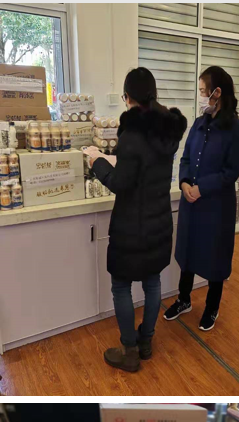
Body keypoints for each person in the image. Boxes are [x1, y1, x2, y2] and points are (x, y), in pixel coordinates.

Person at [85, 68, 186, 372]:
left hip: (131, 225)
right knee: (153, 282)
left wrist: (97, 162)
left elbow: (120, 182)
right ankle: (146, 342)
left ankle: (129, 350)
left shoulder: (131, 135)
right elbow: (146, 168)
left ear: (128, 97)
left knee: (121, 286)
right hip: (159, 221)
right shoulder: (168, 130)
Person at [164, 66, 239, 331]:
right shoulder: (199, 124)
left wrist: (202, 188)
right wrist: (184, 182)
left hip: (216, 206)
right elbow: (186, 157)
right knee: (188, 251)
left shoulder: (236, 130)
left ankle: (212, 307)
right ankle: (184, 299)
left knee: (215, 256)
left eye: (203, 91)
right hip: (191, 202)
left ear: (217, 93)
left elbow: (231, 172)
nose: (201, 96)